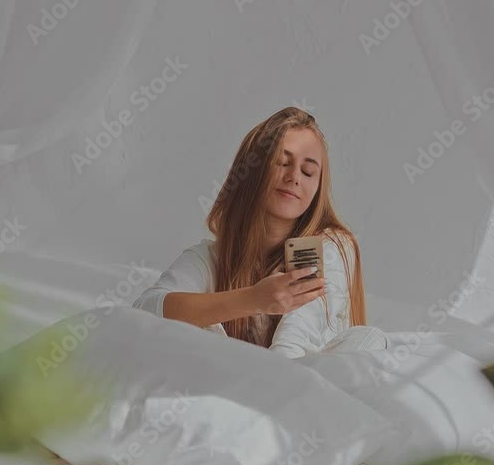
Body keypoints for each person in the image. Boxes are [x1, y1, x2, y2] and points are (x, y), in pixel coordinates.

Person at [132, 106, 387, 357]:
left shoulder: (327, 247)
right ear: (253, 170)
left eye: (308, 172)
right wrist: (252, 299)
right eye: (282, 162)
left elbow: (292, 343)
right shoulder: (211, 257)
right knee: (192, 326)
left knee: (369, 339)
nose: (294, 177)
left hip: (299, 377)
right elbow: (143, 311)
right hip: (245, 377)